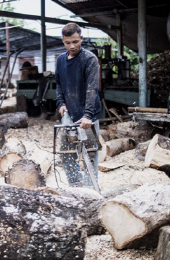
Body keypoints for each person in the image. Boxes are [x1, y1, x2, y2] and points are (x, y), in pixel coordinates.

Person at [55, 22, 101, 187]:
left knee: (90, 153)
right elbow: (58, 84)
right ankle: (76, 186)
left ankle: (91, 190)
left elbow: (92, 88)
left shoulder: (89, 59)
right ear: (63, 41)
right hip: (69, 114)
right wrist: (61, 104)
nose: (72, 46)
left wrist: (87, 115)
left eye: (75, 41)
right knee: (66, 153)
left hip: (88, 116)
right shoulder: (61, 60)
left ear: (81, 38)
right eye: (68, 42)